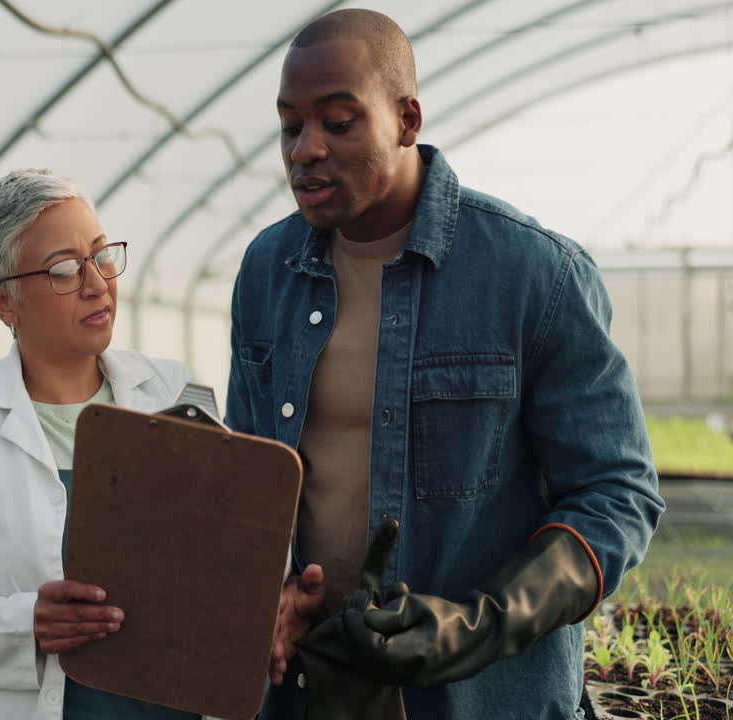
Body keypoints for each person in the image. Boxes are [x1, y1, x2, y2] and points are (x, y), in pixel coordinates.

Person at [225, 9, 665, 719]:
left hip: (483, 697)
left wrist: (481, 624)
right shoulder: (267, 269)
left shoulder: (534, 275)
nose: (304, 149)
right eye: (289, 126)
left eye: (339, 122)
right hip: (309, 689)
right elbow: (250, 474)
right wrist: (268, 592)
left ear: (406, 120)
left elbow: (619, 492)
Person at [0, 169, 203, 720]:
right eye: (63, 270)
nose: (97, 283)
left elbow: (226, 552)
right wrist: (27, 623)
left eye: (103, 255)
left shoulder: (173, 392)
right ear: (3, 302)